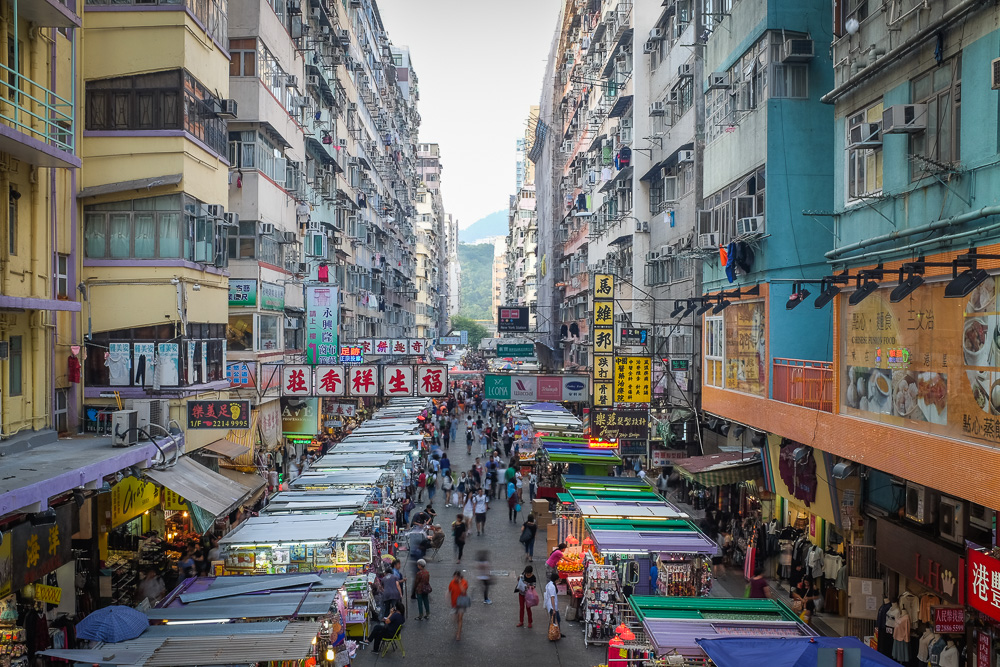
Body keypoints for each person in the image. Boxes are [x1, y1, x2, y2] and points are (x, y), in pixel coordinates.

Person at [448, 570, 470, 641]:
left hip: (462, 602)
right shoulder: (452, 582)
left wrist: (460, 583)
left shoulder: (464, 582)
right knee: (455, 618)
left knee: (460, 618)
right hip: (454, 602)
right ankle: (458, 629)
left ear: (459, 577)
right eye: (454, 577)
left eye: (456, 577)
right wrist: (447, 598)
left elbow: (463, 591)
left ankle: (458, 634)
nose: (455, 578)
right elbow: (449, 591)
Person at [545, 572, 563, 638]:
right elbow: (552, 598)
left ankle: (556, 632)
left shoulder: (550, 584)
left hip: (552, 606)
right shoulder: (552, 587)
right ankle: (555, 633)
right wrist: (554, 609)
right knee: (556, 620)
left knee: (554, 620)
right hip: (552, 606)